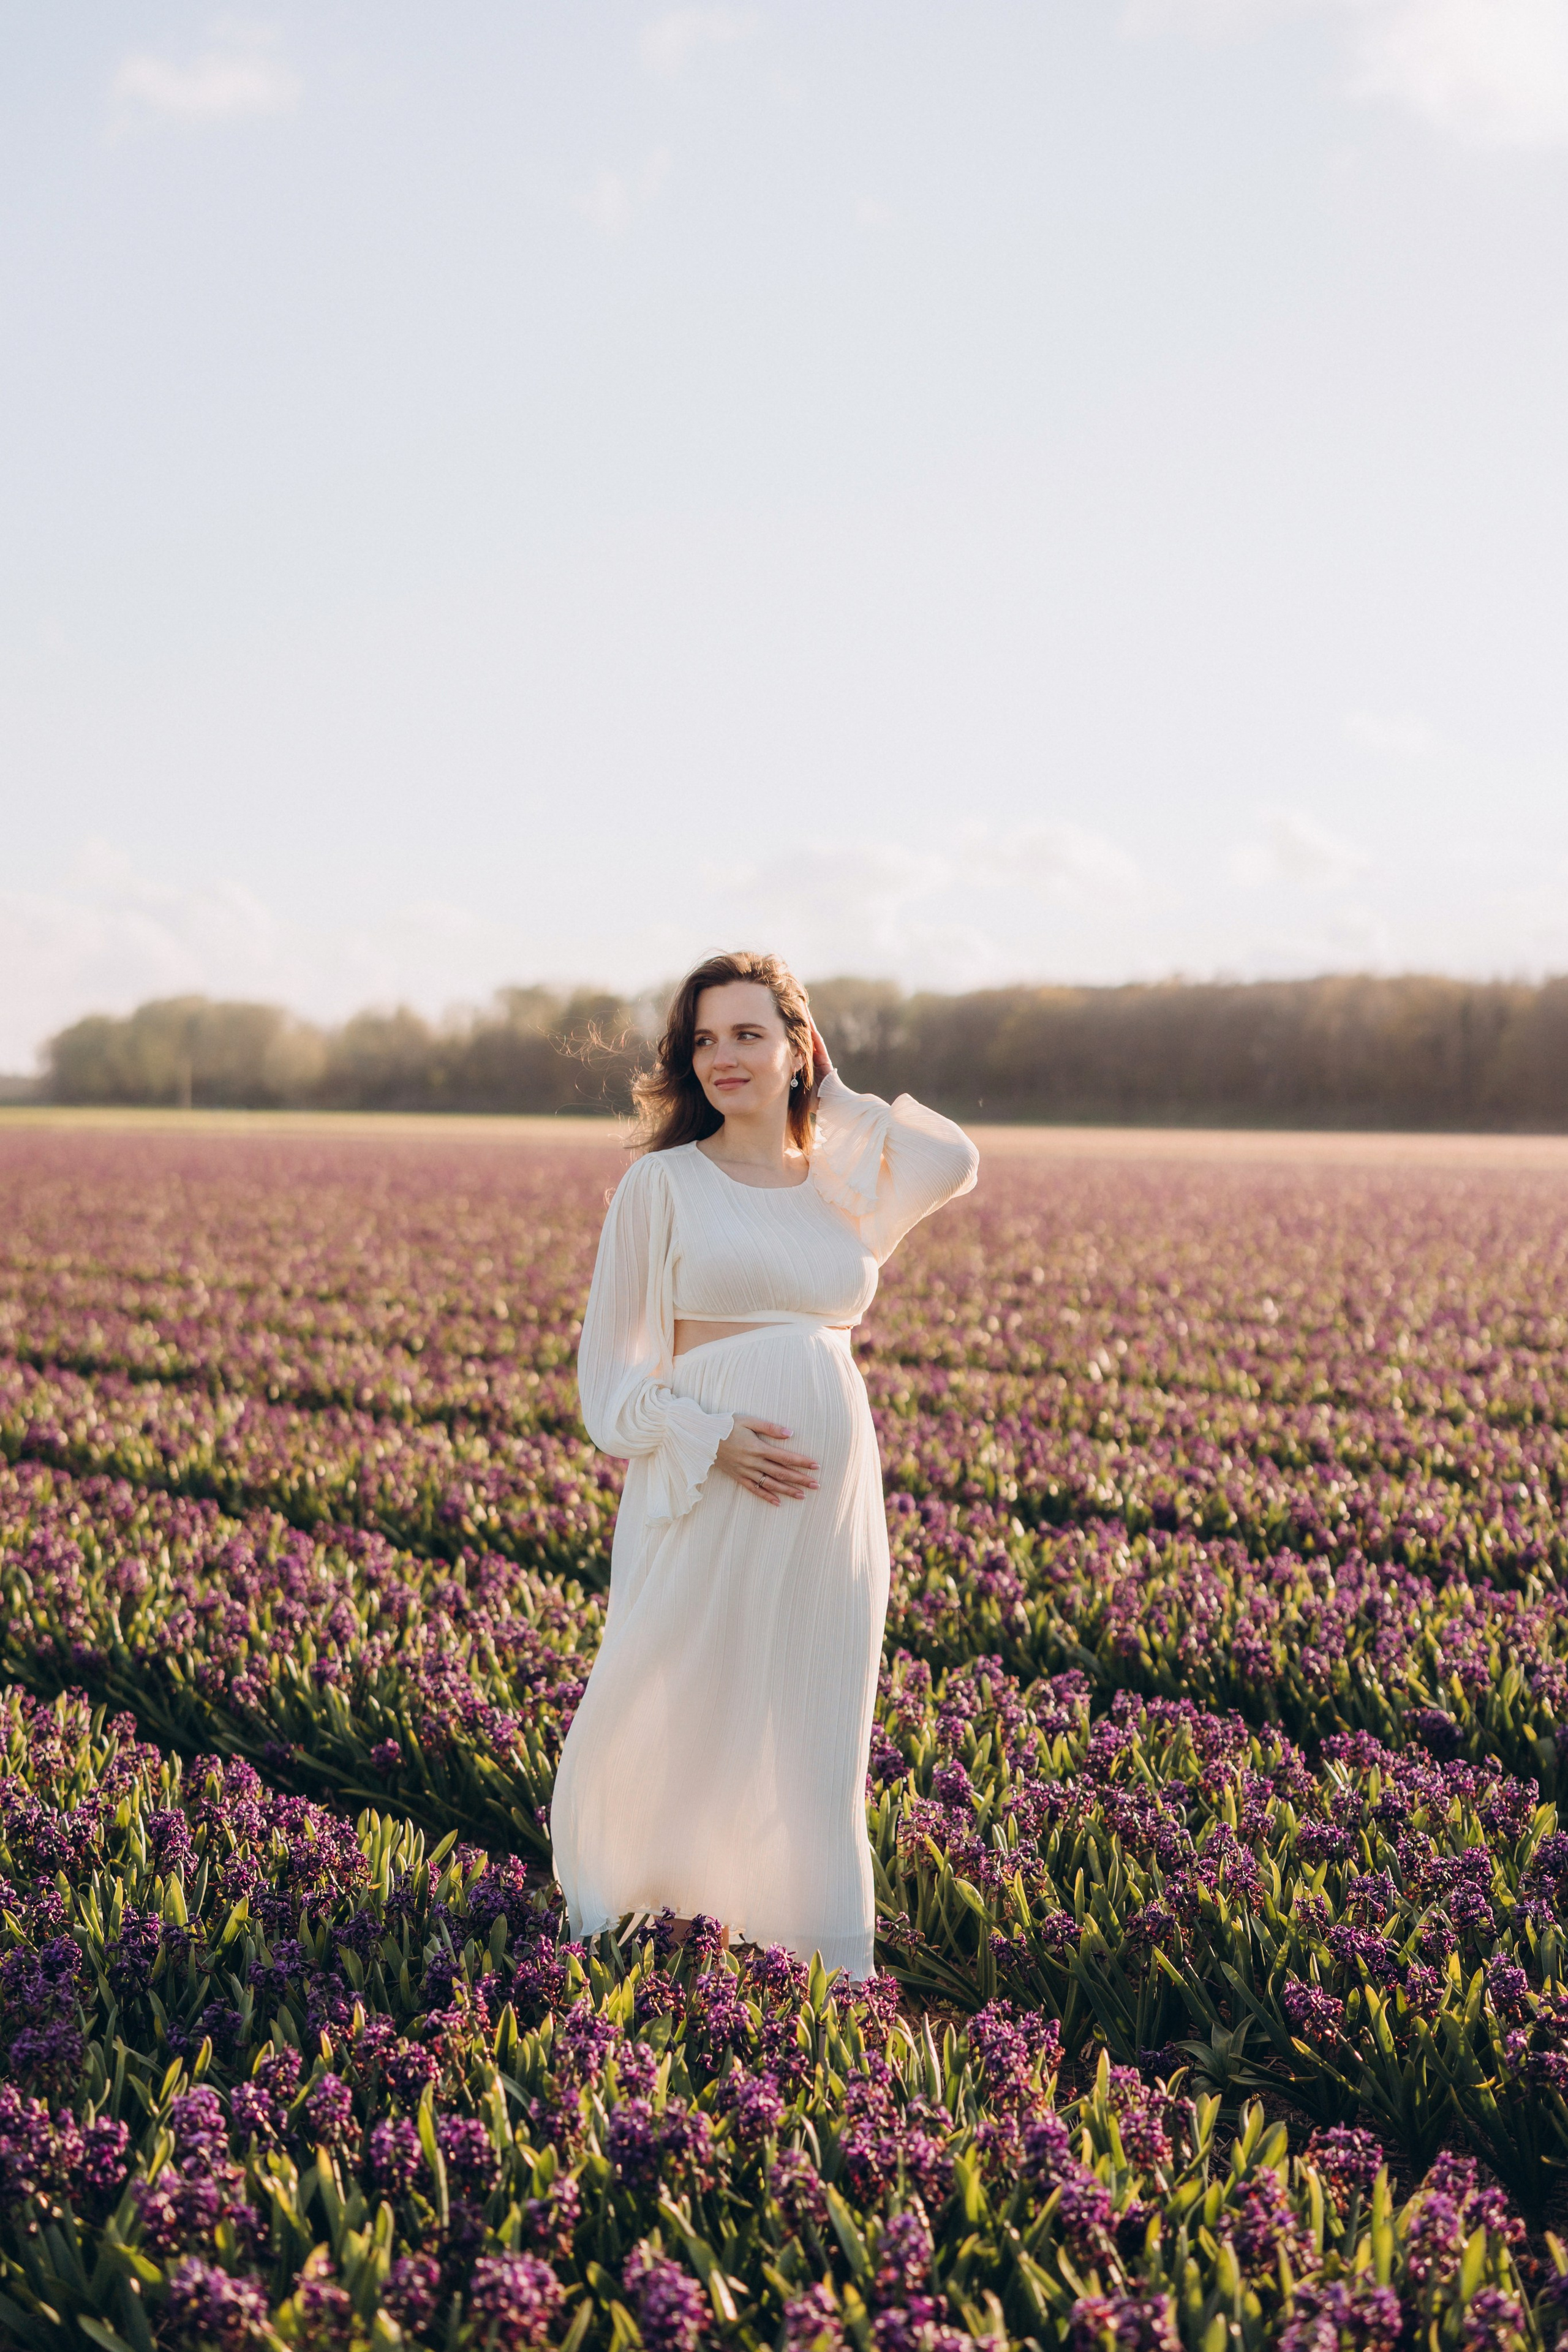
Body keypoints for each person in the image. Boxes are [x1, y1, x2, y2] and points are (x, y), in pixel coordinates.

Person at [549, 949, 979, 1979]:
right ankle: (655, 1936)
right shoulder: (662, 1184)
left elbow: (953, 1160)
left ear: (798, 1049)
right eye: (704, 1039)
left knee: (816, 1723)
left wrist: (835, 1098)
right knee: (687, 1693)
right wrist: (713, 1435)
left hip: (832, 1502)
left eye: (750, 1034)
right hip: (709, 1482)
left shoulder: (841, 1185)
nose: (723, 1058)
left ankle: (820, 1964)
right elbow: (607, 1385)